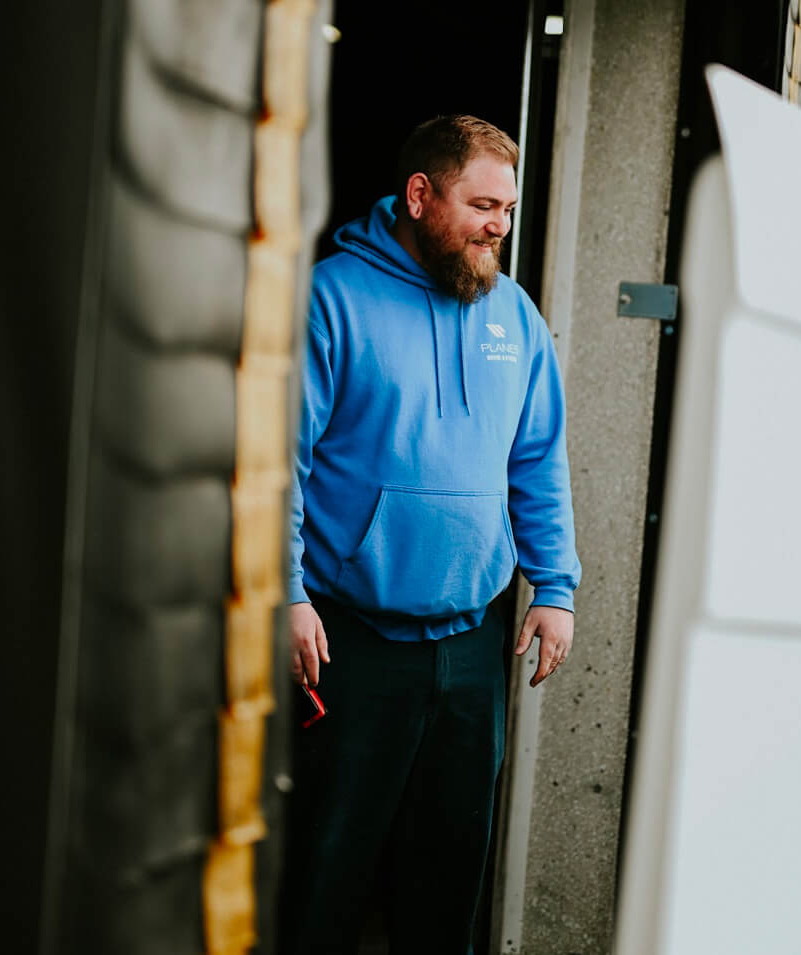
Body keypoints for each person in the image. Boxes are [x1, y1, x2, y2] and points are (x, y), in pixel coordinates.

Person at [284, 115, 581, 954]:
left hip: (468, 651)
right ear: (420, 195)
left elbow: (539, 459)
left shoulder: (513, 316)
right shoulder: (331, 297)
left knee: (447, 881)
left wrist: (554, 586)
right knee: (324, 872)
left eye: (510, 209)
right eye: (483, 204)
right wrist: (289, 591)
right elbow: (278, 461)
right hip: (346, 642)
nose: (500, 225)